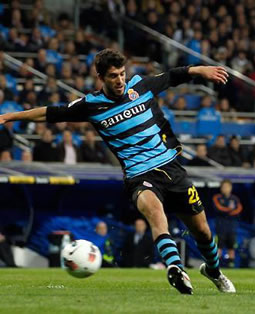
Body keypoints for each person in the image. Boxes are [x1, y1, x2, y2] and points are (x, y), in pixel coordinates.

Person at [0, 49, 235, 294]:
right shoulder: (91, 105)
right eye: (113, 76)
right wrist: (9, 116)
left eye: (122, 74)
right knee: (156, 213)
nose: (120, 80)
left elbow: (174, 76)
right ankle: (176, 268)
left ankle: (213, 271)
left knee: (203, 231)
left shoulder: (140, 86)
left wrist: (201, 70)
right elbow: (51, 112)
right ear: (100, 77)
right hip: (139, 176)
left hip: (171, 168)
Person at [212, 179, 243, 267]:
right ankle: (215, 265)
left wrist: (228, 211)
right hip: (220, 226)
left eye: (227, 187)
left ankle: (231, 263)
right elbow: (218, 208)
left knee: (231, 247)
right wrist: (229, 210)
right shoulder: (217, 197)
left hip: (232, 226)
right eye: (224, 187)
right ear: (221, 188)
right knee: (219, 246)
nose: (225, 189)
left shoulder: (235, 199)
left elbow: (238, 210)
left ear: (231, 188)